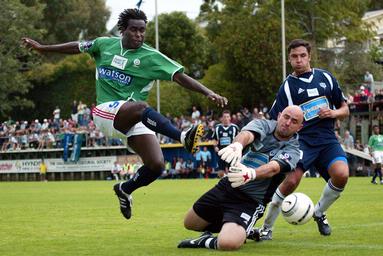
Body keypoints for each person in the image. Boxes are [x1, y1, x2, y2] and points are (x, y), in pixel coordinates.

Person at [22, 8, 227, 220]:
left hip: (133, 116)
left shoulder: (151, 56)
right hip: (104, 112)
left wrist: (208, 92)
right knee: (139, 106)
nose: (139, 34)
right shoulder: (104, 44)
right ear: (123, 30)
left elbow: (179, 76)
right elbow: (77, 46)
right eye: (134, 30)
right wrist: (43, 48)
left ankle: (125, 189)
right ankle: (183, 137)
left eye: (142, 31)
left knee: (156, 165)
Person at [254, 39, 350, 239]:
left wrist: (332, 113)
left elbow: (345, 109)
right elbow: (276, 118)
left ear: (309, 56)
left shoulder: (326, 78)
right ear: (289, 59)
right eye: (294, 57)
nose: (299, 60)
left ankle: (319, 212)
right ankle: (267, 228)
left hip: (327, 140)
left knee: (342, 174)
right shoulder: (287, 88)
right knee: (291, 182)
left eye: (302, 55)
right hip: (301, 142)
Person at [177, 106, 303, 251]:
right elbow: (247, 134)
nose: (287, 123)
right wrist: (237, 145)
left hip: (250, 201)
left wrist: (251, 174)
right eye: (286, 117)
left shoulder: (293, 150)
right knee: (190, 223)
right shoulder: (264, 124)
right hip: (227, 186)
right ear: (280, 115)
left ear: (299, 127)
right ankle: (244, 230)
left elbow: (273, 168)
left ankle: (206, 240)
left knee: (228, 243)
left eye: (294, 121)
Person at [212, 110, 239, 177]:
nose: (226, 118)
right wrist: (215, 146)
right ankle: (223, 184)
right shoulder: (218, 128)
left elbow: (239, 138)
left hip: (231, 153)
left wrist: (237, 147)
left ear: (230, 118)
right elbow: (214, 139)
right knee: (221, 172)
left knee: (232, 170)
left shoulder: (234, 128)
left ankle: (230, 185)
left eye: (227, 117)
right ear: (222, 118)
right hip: (221, 152)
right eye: (224, 117)